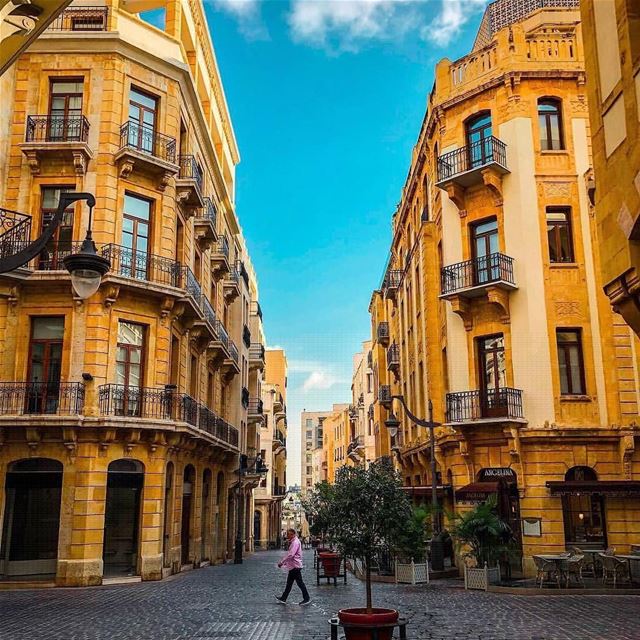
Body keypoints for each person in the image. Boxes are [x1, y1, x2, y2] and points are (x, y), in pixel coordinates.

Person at [275, 528, 311, 605]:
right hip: (293, 566)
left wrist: (282, 562)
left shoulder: (295, 542)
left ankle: (306, 598)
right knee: (289, 583)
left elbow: (291, 554)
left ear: (292, 534)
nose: (287, 535)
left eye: (288, 534)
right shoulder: (294, 541)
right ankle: (284, 598)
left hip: (295, 566)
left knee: (299, 583)